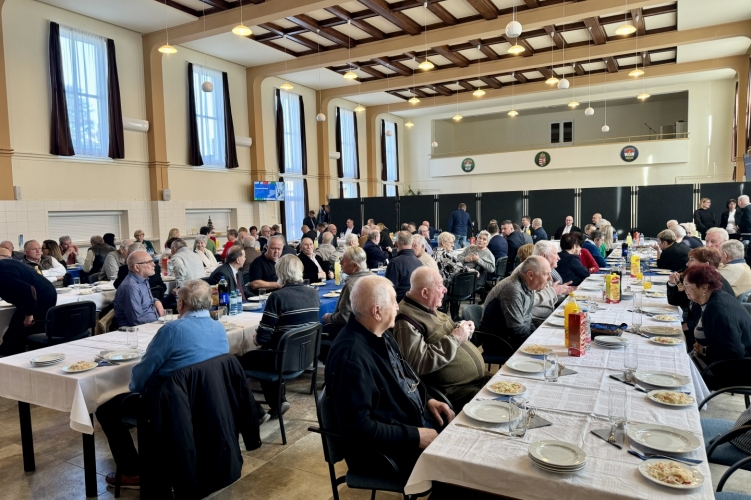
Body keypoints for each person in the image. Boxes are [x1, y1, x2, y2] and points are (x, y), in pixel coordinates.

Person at [96, 279, 238, 490]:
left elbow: (141, 378)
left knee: (106, 410)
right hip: (208, 400)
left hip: (169, 406)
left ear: (181, 304)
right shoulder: (219, 328)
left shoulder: (171, 330)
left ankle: (132, 472)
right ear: (209, 302)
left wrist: (135, 389)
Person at [325, 275, 455, 480]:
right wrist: (415, 436)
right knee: (460, 472)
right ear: (377, 312)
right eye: (394, 301)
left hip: (410, 424)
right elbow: (358, 429)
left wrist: (427, 399)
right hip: (384, 453)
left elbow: (404, 379)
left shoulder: (381, 333)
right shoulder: (350, 358)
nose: (398, 306)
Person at [393, 267, 489, 409]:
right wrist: (456, 338)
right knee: (502, 404)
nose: (445, 290)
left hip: (475, 380)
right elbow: (417, 364)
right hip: (455, 390)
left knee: (513, 385)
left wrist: (462, 328)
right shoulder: (406, 321)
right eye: (439, 286)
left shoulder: (427, 306)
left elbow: (443, 335)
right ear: (424, 292)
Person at [241, 255, 320, 417]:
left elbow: (263, 337)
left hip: (282, 359)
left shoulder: (277, 297)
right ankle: (278, 402)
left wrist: (256, 338)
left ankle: (253, 411)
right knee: (265, 353)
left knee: (236, 363)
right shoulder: (313, 293)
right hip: (305, 356)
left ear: (280, 273)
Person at [683, 265, 751, 388]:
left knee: (680, 372)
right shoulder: (712, 299)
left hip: (735, 370)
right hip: (720, 362)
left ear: (704, 287)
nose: (684, 289)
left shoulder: (718, 309)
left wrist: (704, 350)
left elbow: (734, 353)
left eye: (687, 285)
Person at [667, 247, 735, 349]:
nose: (687, 264)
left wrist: (681, 327)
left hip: (705, 342)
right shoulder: (702, 281)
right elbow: (676, 300)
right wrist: (672, 284)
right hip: (696, 331)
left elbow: (709, 319)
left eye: (692, 260)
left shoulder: (715, 287)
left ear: (705, 265)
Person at [480, 256, 552, 349]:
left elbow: (527, 319)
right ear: (530, 275)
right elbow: (517, 331)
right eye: (546, 274)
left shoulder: (527, 286)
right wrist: (539, 345)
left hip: (511, 338)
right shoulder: (512, 289)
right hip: (499, 343)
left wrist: (538, 337)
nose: (550, 278)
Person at [0, 251, 57, 355]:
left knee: (16, 333)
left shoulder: (2, 274)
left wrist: (29, 315)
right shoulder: (4, 264)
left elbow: (29, 290)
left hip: (40, 297)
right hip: (44, 291)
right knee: (16, 332)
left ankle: (16, 356)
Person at [321, 247, 371, 335]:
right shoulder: (374, 278)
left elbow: (344, 317)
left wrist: (328, 317)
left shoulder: (351, 285)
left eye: (343, 261)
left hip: (351, 333)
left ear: (354, 266)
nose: (340, 263)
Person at [528, 241, 575, 326]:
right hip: (535, 321)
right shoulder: (532, 273)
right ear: (543, 256)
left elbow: (547, 298)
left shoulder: (547, 271)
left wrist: (560, 291)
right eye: (555, 254)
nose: (559, 258)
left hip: (548, 316)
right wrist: (553, 291)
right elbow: (529, 300)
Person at [114, 250, 165, 327]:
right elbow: (137, 320)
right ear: (136, 267)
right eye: (149, 262)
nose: (154, 264)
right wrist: (157, 327)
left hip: (154, 323)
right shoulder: (131, 287)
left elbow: (145, 301)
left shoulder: (143, 279)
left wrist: (156, 301)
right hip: (139, 330)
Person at [385, 231, 423, 302]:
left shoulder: (394, 263)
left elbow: (388, 290)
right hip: (415, 303)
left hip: (398, 304)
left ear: (396, 244)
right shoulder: (420, 263)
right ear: (412, 244)